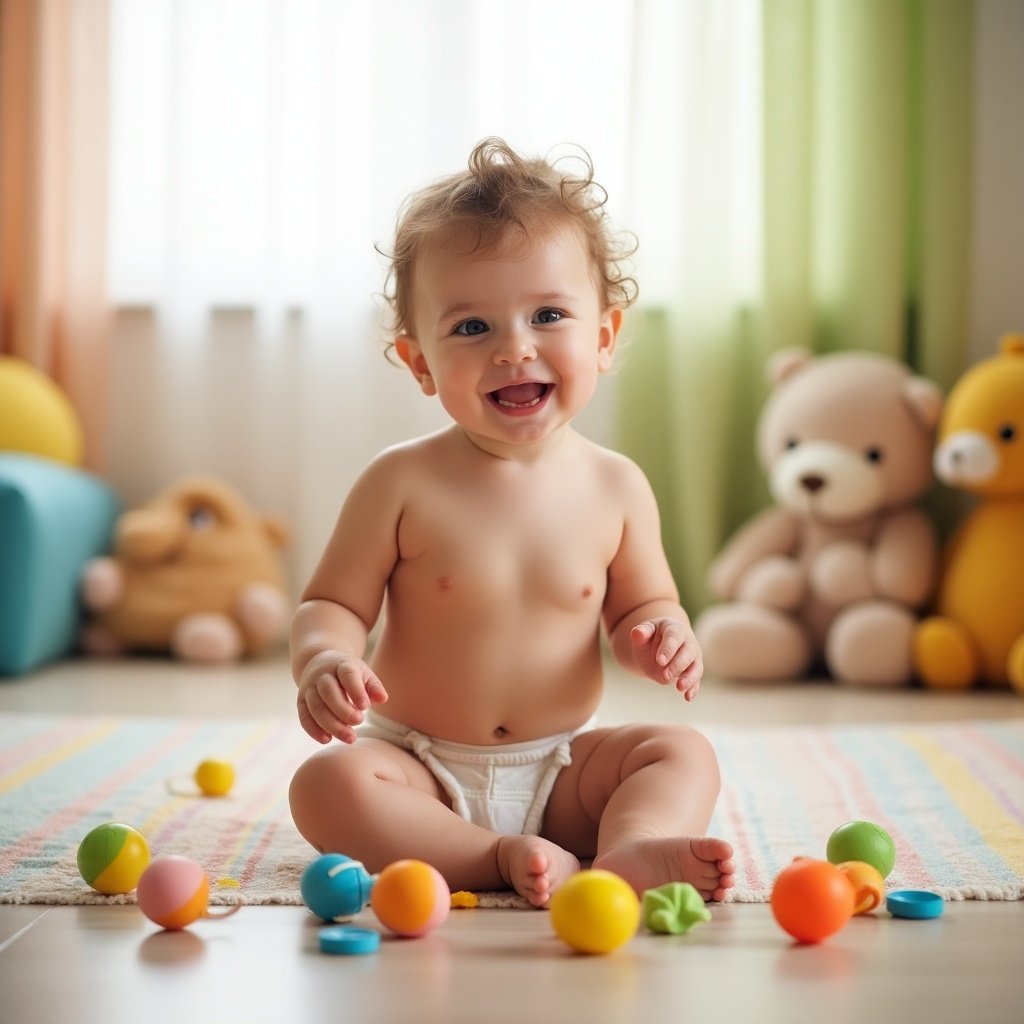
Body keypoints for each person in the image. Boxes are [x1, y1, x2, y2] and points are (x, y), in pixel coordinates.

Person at [288, 137, 735, 908]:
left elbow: (643, 609)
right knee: (326, 784)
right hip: (418, 765)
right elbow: (330, 604)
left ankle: (629, 849)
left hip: (562, 766)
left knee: (680, 751)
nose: (514, 349)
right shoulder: (401, 481)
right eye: (471, 329)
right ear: (420, 361)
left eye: (549, 314)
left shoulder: (617, 486)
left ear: (603, 336)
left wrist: (662, 638)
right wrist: (325, 660)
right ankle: (491, 856)